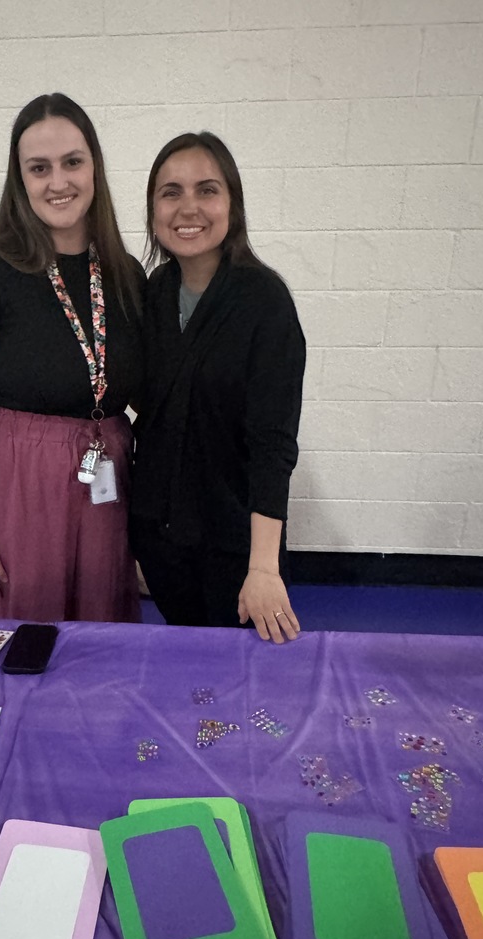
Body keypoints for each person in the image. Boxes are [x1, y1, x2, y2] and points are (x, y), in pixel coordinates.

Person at [0, 93, 144, 623]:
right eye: (40, 168)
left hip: (104, 484)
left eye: (72, 162)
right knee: (22, 638)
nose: (59, 182)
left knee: (101, 634)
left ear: (94, 166)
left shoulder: (125, 274)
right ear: (20, 179)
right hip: (17, 489)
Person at [130, 132, 306, 643]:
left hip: (237, 547)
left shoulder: (264, 302)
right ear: (153, 209)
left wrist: (264, 569)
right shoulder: (152, 295)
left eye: (207, 190)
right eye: (171, 192)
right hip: (162, 543)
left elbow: (273, 445)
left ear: (233, 203)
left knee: (249, 696)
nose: (189, 208)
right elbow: (156, 403)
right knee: (187, 685)